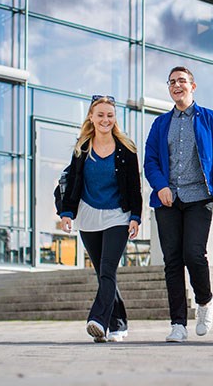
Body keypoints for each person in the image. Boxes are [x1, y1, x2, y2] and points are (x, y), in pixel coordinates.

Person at [144, 66, 213, 342]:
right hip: (168, 200)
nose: (176, 85)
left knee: (193, 254)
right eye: (172, 82)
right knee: (172, 261)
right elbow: (151, 162)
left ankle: (204, 301)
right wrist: (161, 187)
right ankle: (178, 324)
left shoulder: (210, 119)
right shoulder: (160, 124)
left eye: (182, 81)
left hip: (199, 197)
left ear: (193, 86)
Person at [59, 95, 142, 343]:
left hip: (118, 215)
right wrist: (67, 212)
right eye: (101, 115)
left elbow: (134, 187)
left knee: (107, 269)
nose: (105, 119)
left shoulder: (126, 149)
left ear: (114, 119)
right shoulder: (82, 148)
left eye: (110, 115)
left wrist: (136, 216)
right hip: (88, 216)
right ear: (91, 118)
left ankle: (98, 321)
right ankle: (119, 323)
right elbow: (73, 182)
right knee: (102, 274)